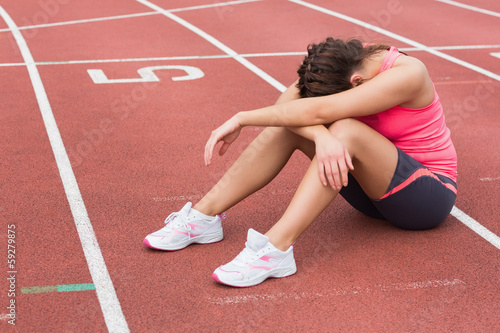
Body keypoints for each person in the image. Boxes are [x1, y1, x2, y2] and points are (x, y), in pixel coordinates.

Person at [144, 37, 458, 288]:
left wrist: (242, 118)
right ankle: (203, 218)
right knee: (294, 129)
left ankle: (276, 250)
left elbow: (316, 112)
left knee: (344, 129)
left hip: (425, 196)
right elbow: (286, 107)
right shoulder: (336, 62)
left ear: (357, 81)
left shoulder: (408, 73)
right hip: (371, 193)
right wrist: (321, 137)